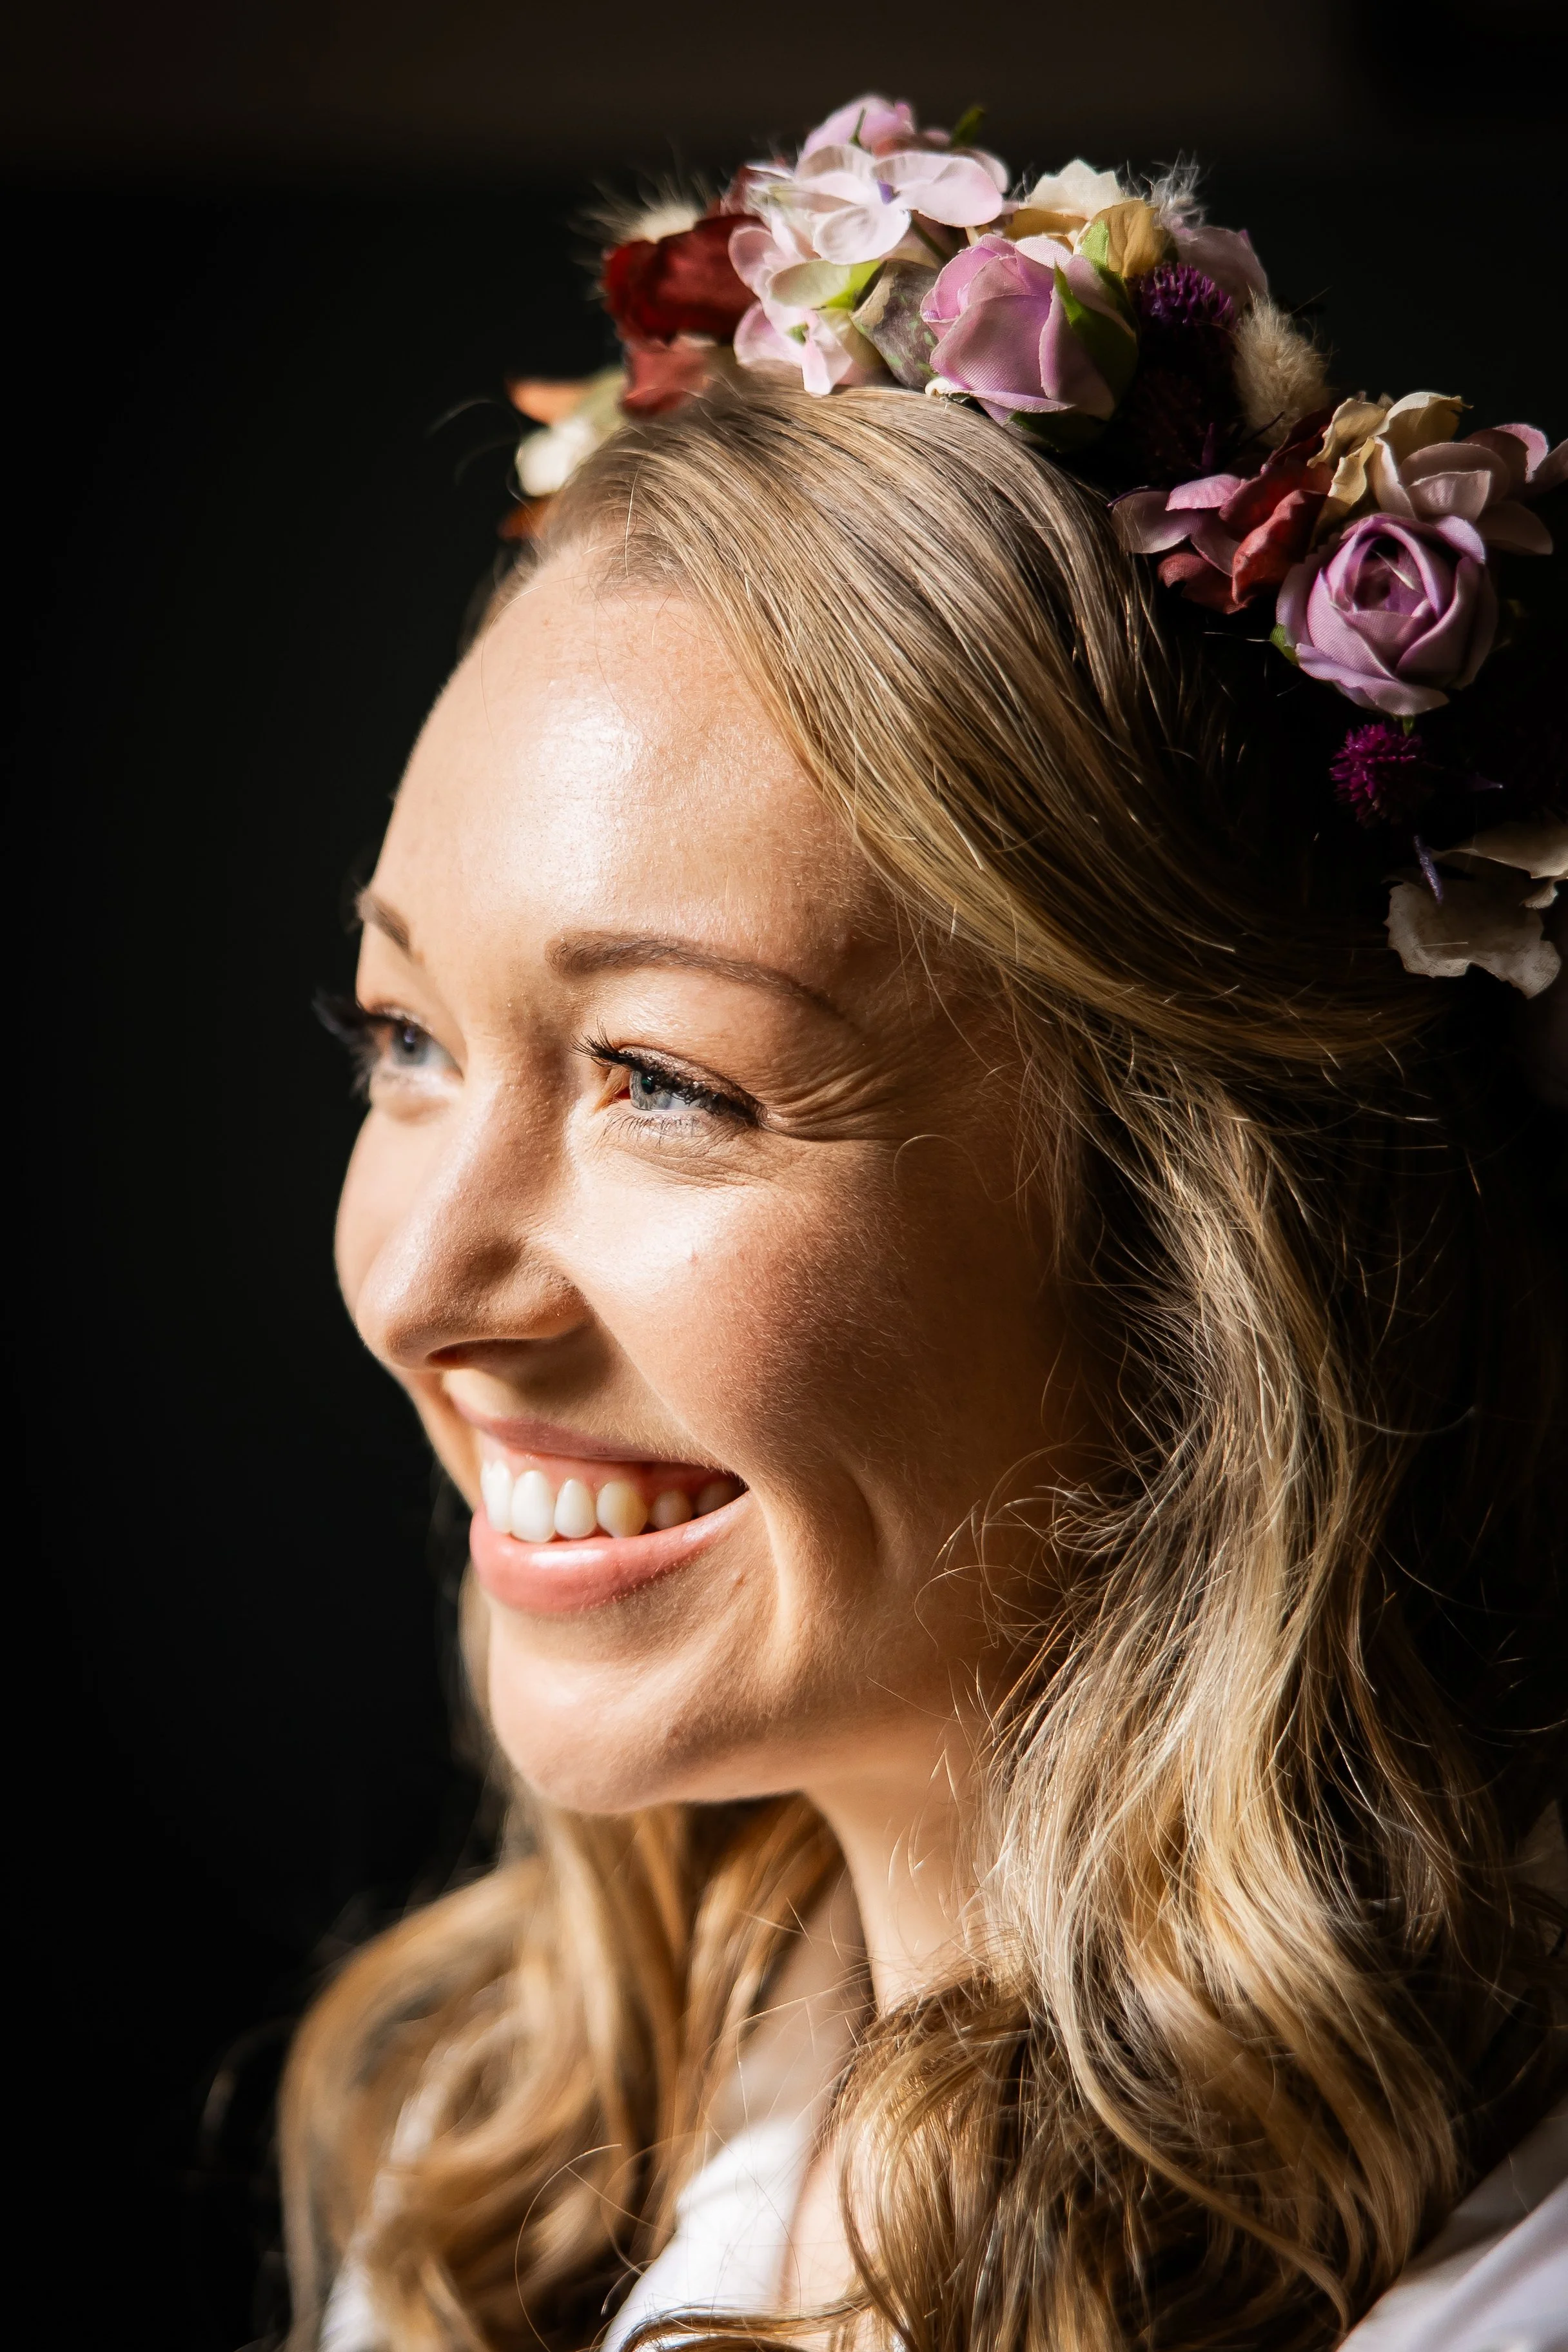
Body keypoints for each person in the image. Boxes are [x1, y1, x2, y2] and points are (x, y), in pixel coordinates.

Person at [282, 95, 1567, 2352]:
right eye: (408, 1039)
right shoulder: (490, 2170)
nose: (413, 1290)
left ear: (1200, 1242)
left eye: (665, 1081)